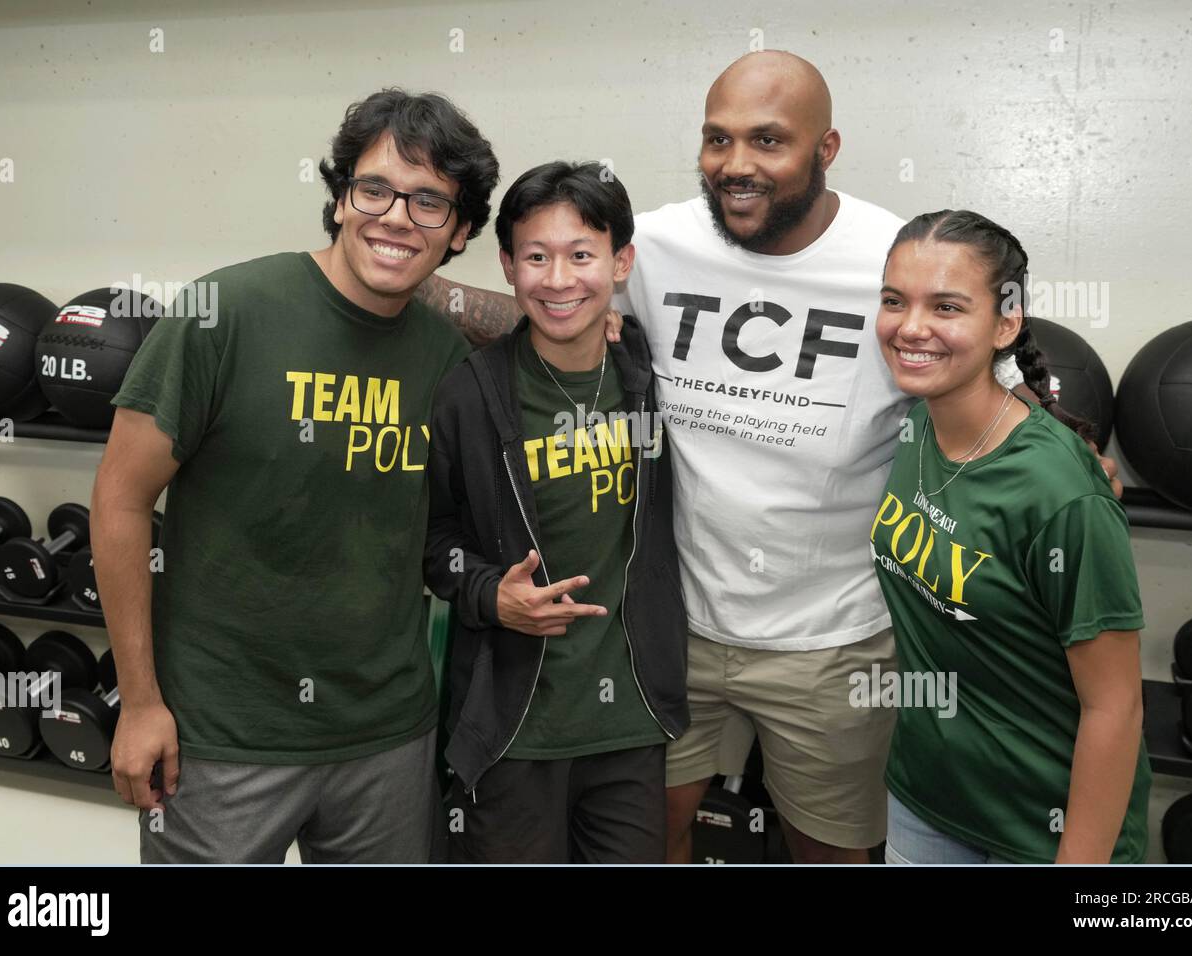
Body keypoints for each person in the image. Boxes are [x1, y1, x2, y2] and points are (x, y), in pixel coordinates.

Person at [416, 50, 1119, 864]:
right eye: (717, 140)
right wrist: (397, 277)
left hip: (832, 642)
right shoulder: (661, 241)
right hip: (671, 632)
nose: (736, 165)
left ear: (826, 150)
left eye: (768, 141)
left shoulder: (891, 257)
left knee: (830, 850)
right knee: (654, 837)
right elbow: (553, 296)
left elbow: (972, 371)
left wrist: (1063, 447)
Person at [92, 88, 499, 863]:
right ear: (341, 198)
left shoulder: (446, 357)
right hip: (220, 736)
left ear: (461, 231)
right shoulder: (226, 314)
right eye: (373, 188)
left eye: (429, 202)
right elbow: (119, 499)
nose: (395, 217)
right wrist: (140, 702)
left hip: (387, 735)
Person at [424, 161, 688, 863]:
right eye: (536, 257)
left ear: (620, 261)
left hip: (632, 722)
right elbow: (433, 538)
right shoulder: (470, 396)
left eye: (582, 255)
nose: (560, 279)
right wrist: (489, 595)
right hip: (514, 725)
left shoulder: (646, 373)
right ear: (508, 266)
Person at [871, 209, 1149, 863]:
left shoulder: (1062, 492)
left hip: (1041, 829)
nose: (911, 327)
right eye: (893, 300)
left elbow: (1116, 710)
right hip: (926, 797)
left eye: (946, 306)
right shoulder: (916, 423)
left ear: (1005, 322)